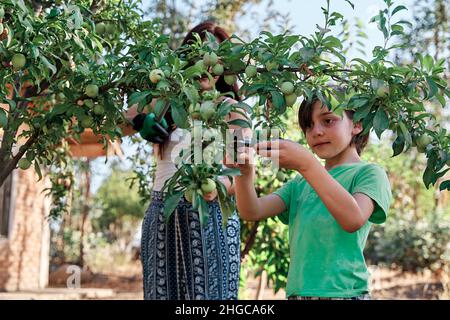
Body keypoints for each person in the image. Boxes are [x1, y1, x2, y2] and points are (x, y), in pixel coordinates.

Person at [123, 21, 248, 300]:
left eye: (213, 56)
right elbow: (121, 120)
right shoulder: (168, 102)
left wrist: (218, 185)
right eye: (197, 55)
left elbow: (241, 170)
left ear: (223, 66)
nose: (204, 63)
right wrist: (142, 120)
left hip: (211, 213)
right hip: (162, 210)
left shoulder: (232, 110)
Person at [225, 94, 392, 300]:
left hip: (345, 293)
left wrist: (307, 163)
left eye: (328, 120)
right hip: (298, 294)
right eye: (308, 126)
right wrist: (244, 173)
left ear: (356, 124)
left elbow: (353, 218)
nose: (316, 132)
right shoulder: (300, 183)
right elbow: (252, 211)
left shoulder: (368, 173)